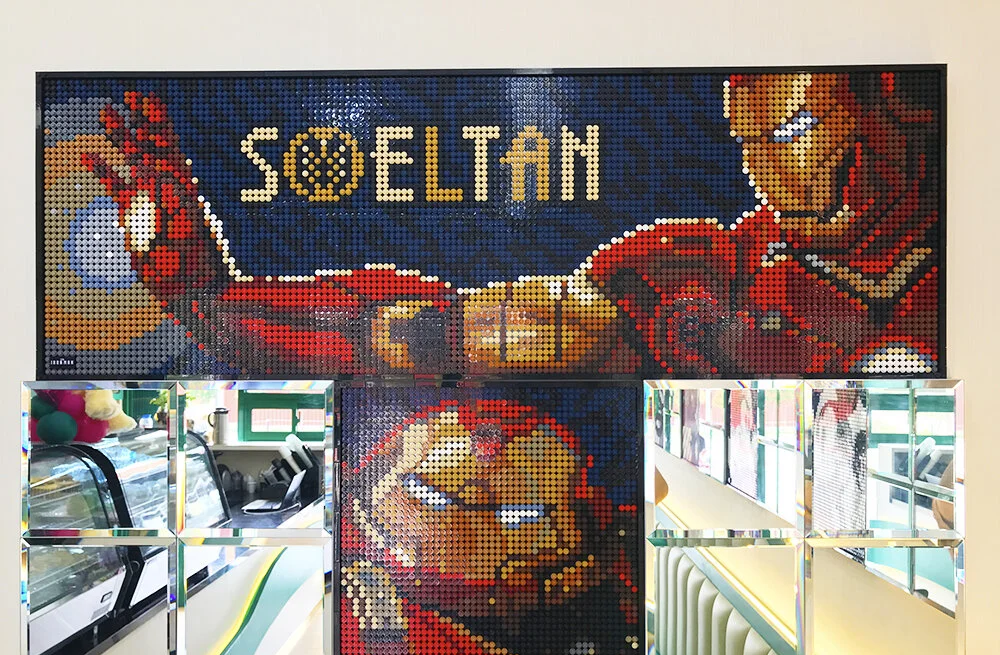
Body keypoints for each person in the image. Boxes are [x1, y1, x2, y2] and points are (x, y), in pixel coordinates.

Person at [47, 71, 939, 375]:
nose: (771, 170)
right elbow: (428, 333)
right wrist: (200, 296)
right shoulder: (696, 274)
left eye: (793, 126)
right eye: (750, 142)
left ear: (885, 99)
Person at [338, 398, 641, 655]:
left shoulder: (595, 619)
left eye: (517, 516)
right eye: (426, 495)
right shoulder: (367, 586)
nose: (459, 525)